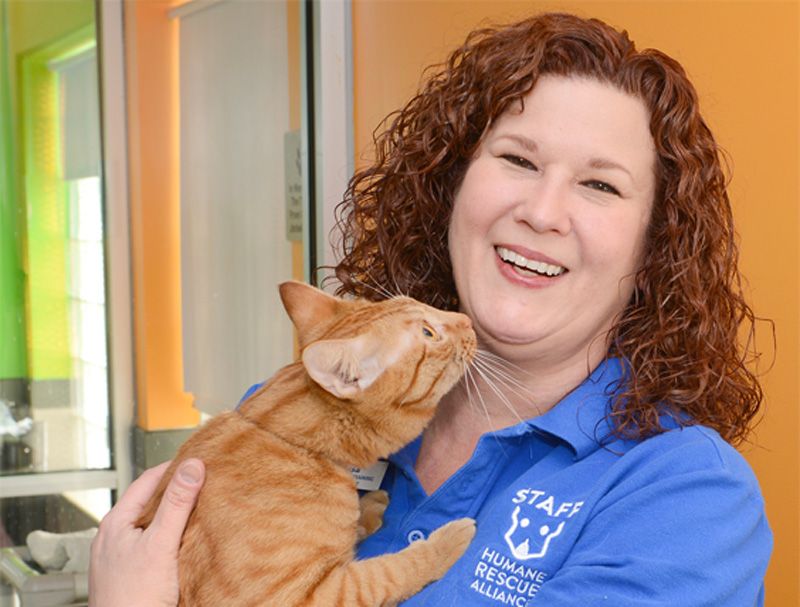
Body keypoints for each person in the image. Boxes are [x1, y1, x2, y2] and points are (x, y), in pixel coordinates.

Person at [89, 12, 772, 606]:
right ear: (451, 188)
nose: (540, 212)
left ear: (654, 248)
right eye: (518, 159)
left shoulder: (686, 498)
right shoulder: (297, 419)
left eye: (599, 184)